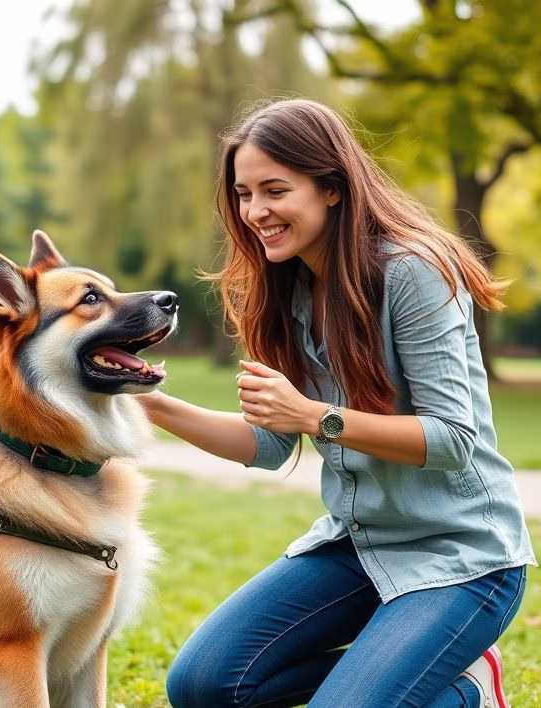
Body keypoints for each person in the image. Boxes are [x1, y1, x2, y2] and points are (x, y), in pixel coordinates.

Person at [137, 99, 536, 707]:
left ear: (330, 186)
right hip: (359, 544)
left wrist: (311, 415)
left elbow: (454, 440)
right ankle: (442, 678)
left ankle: (467, 693)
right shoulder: (284, 287)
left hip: (462, 558)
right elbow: (269, 446)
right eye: (244, 195)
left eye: (275, 190)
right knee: (203, 684)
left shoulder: (412, 271)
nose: (256, 213)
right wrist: (153, 403)